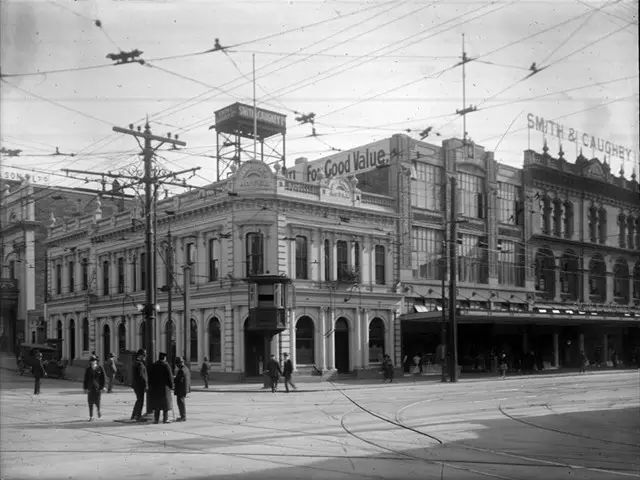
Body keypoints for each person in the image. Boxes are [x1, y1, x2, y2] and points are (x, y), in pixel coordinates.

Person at [148, 352, 174, 424]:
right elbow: (170, 377)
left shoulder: (154, 365)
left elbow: (150, 376)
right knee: (165, 405)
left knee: (157, 405)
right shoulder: (166, 365)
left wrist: (150, 385)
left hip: (155, 388)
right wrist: (172, 386)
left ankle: (156, 419)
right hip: (164, 388)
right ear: (164, 358)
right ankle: (165, 419)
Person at [83, 355, 105, 421]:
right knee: (90, 402)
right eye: (91, 361)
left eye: (94, 360)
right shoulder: (88, 369)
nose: (93, 362)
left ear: (96, 361)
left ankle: (98, 410)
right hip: (90, 388)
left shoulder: (100, 368)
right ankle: (91, 416)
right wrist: (85, 388)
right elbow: (85, 379)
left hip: (97, 388)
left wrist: (102, 387)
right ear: (90, 362)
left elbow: (103, 378)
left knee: (97, 402)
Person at [130, 349, 148, 422]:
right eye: (144, 355)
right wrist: (146, 385)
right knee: (140, 400)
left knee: (138, 400)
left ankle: (134, 415)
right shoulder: (139, 364)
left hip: (136, 384)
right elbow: (142, 376)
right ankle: (138, 416)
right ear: (140, 355)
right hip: (140, 385)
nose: (145, 357)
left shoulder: (136, 362)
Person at [173, 357, 191, 422]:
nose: (176, 366)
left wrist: (173, 379)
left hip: (181, 389)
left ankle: (183, 416)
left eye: (177, 364)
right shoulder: (186, 368)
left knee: (180, 402)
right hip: (184, 388)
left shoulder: (181, 370)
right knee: (181, 402)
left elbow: (178, 380)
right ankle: (183, 416)